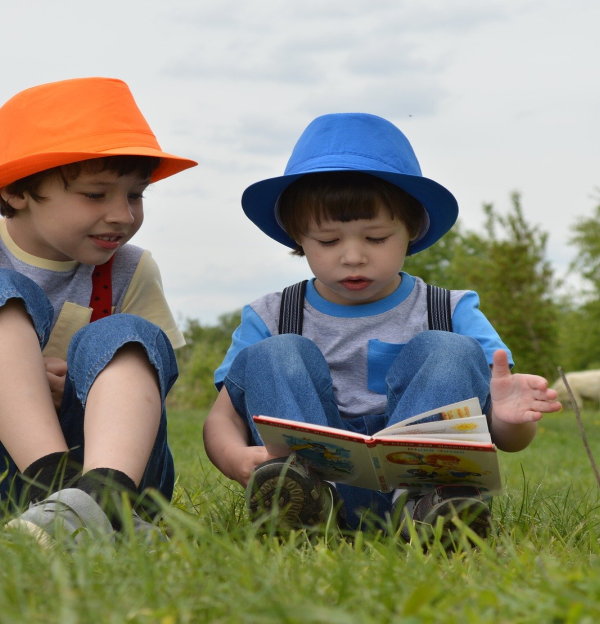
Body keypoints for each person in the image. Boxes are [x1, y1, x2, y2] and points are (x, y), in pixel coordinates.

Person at [0, 77, 196, 545]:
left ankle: (105, 499)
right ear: (17, 191)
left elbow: (144, 388)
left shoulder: (131, 268)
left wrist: (79, 387)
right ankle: (66, 494)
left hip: (110, 473)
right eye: (96, 194)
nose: (123, 215)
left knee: (127, 335)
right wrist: (26, 379)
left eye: (135, 194)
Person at [202, 113, 561, 536]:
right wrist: (235, 458)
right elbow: (222, 418)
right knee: (275, 353)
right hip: (313, 481)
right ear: (298, 236)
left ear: (412, 230)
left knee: (449, 349)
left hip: (425, 483)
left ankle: (427, 510)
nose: (353, 257)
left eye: (376, 238)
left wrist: (510, 421)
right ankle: (303, 506)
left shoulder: (450, 310)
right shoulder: (272, 315)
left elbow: (508, 439)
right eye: (328, 240)